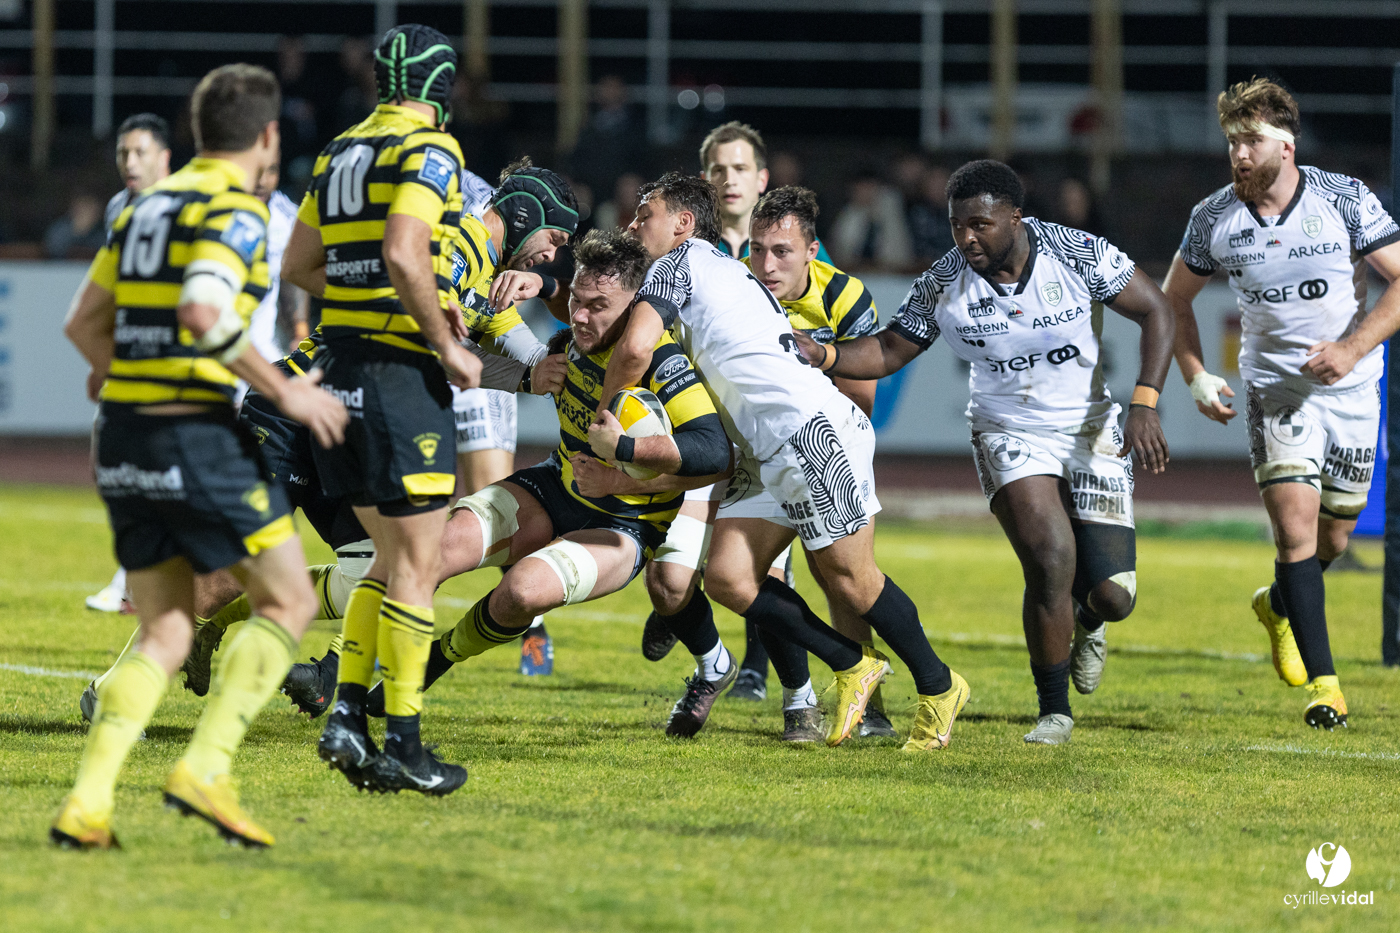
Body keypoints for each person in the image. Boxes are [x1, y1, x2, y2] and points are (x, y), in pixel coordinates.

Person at [53, 63, 348, 849]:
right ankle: (207, 767)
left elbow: (83, 326)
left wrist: (125, 378)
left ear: (193, 131)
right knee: (286, 598)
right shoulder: (240, 213)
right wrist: (285, 392)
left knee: (166, 628)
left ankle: (87, 803)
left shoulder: (147, 208)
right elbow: (204, 311)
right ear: (268, 136)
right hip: (193, 431)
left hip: (122, 434)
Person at [794, 159, 1174, 746]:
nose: (966, 238)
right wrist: (825, 356)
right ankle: (1054, 710)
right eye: (956, 226)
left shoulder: (1075, 253)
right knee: (1049, 558)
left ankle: (1089, 619)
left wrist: (1146, 401)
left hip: (1091, 429)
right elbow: (892, 349)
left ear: (1016, 219)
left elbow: (1156, 309)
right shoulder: (946, 279)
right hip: (1005, 429)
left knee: (1112, 596)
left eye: (980, 225)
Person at [597, 172, 970, 750]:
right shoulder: (723, 269)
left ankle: (940, 686)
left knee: (852, 578)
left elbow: (635, 347)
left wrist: (606, 419)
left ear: (683, 224)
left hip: (808, 433)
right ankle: (851, 663)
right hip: (764, 447)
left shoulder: (679, 264)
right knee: (727, 576)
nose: (632, 224)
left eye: (645, 214)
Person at [361, 229, 733, 738]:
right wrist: (528, 343)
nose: (581, 316)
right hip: (551, 487)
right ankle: (343, 676)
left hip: (623, 524)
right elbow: (522, 326)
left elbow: (715, 453)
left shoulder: (662, 363)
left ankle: (436, 661)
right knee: (434, 550)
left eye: (598, 305)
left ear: (634, 308)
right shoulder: (570, 342)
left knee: (521, 592)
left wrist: (623, 458)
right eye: (578, 301)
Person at [282, 24, 483, 796]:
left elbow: (300, 263)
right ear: (440, 88)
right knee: (419, 566)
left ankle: (346, 721)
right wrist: (443, 338)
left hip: (338, 372)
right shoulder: (430, 149)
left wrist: (376, 302)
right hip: (399, 379)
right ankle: (404, 742)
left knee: (392, 561)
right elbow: (405, 251)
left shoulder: (338, 150)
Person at [1163, 77, 1400, 731]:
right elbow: (1173, 299)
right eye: (1232, 142)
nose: (1239, 155)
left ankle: (1277, 603)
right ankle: (1327, 689)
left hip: (1352, 388)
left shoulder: (1342, 199)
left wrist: (1351, 350)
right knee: (1295, 529)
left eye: (1251, 141)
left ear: (1287, 146)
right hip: (1275, 392)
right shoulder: (1215, 217)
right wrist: (1195, 374)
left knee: (1336, 535)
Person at [446, 159, 581, 676]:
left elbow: (497, 321)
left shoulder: (492, 243)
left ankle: (526, 619)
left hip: (469, 368)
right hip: (433, 371)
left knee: (497, 504)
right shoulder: (461, 227)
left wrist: (543, 364)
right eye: (553, 239)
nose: (551, 255)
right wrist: (529, 374)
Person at [85, 113, 174, 614]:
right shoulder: (119, 207)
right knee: (111, 466)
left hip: (178, 362)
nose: (130, 162)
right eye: (123, 153)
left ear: (164, 158)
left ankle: (137, 580)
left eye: (139, 152)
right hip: (130, 354)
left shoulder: (185, 205)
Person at [701, 121, 831, 264]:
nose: (730, 180)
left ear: (762, 180)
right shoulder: (686, 246)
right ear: (704, 182)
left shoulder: (798, 242)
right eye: (718, 170)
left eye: (740, 169)